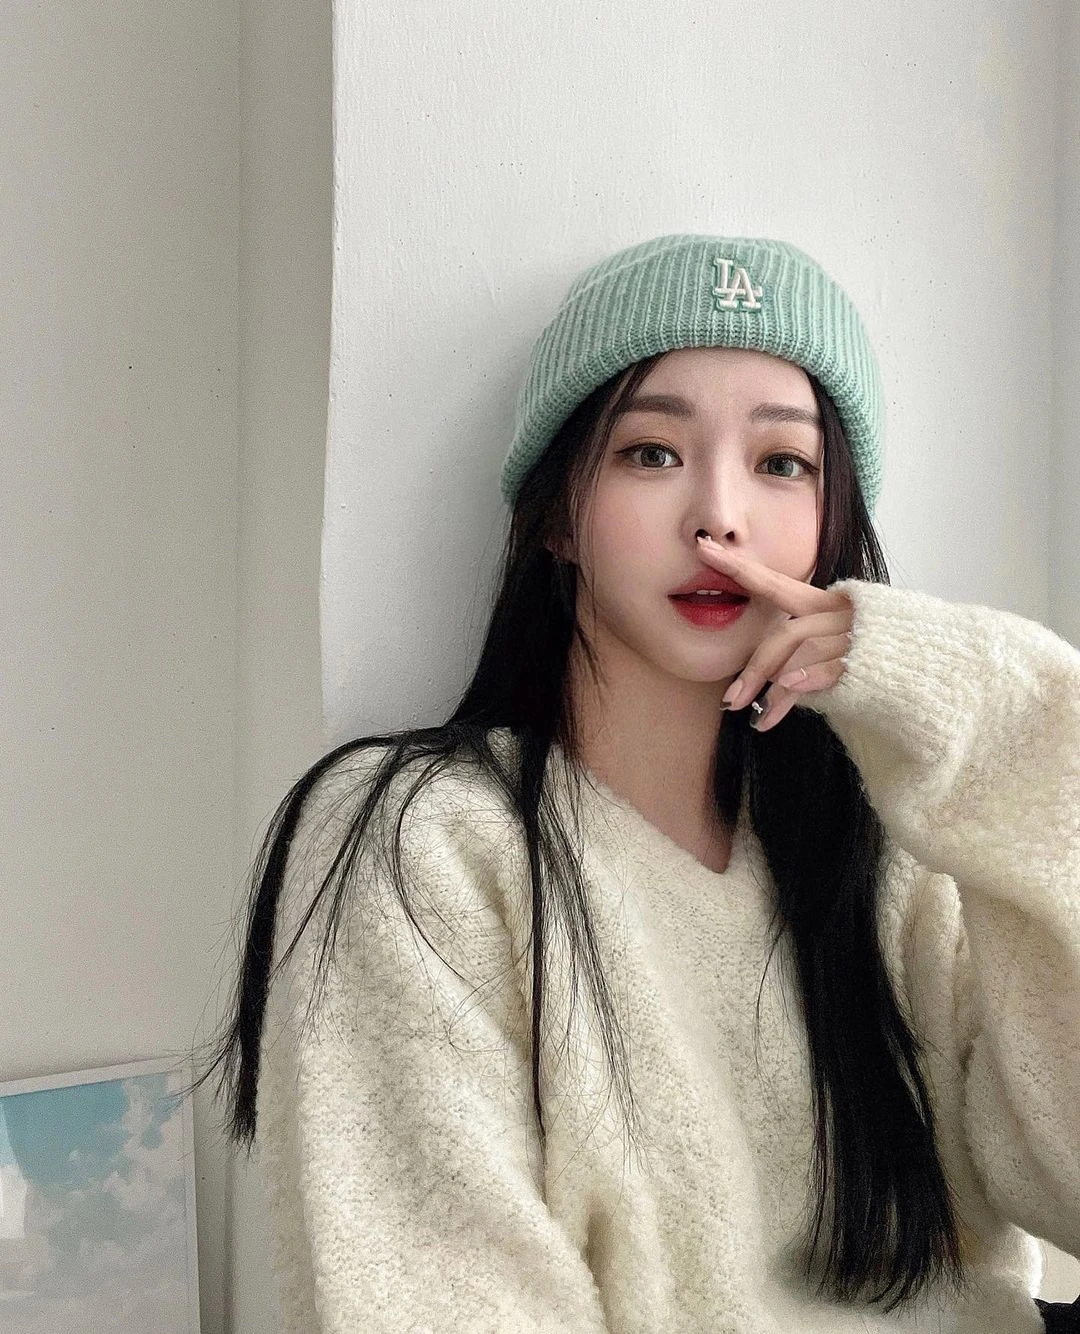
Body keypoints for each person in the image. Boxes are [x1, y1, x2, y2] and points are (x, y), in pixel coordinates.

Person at [190, 234, 1080, 1331]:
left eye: (783, 464)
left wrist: (1006, 727)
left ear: (833, 525)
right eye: (652, 453)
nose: (719, 517)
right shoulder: (427, 844)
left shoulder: (893, 861)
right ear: (557, 515)